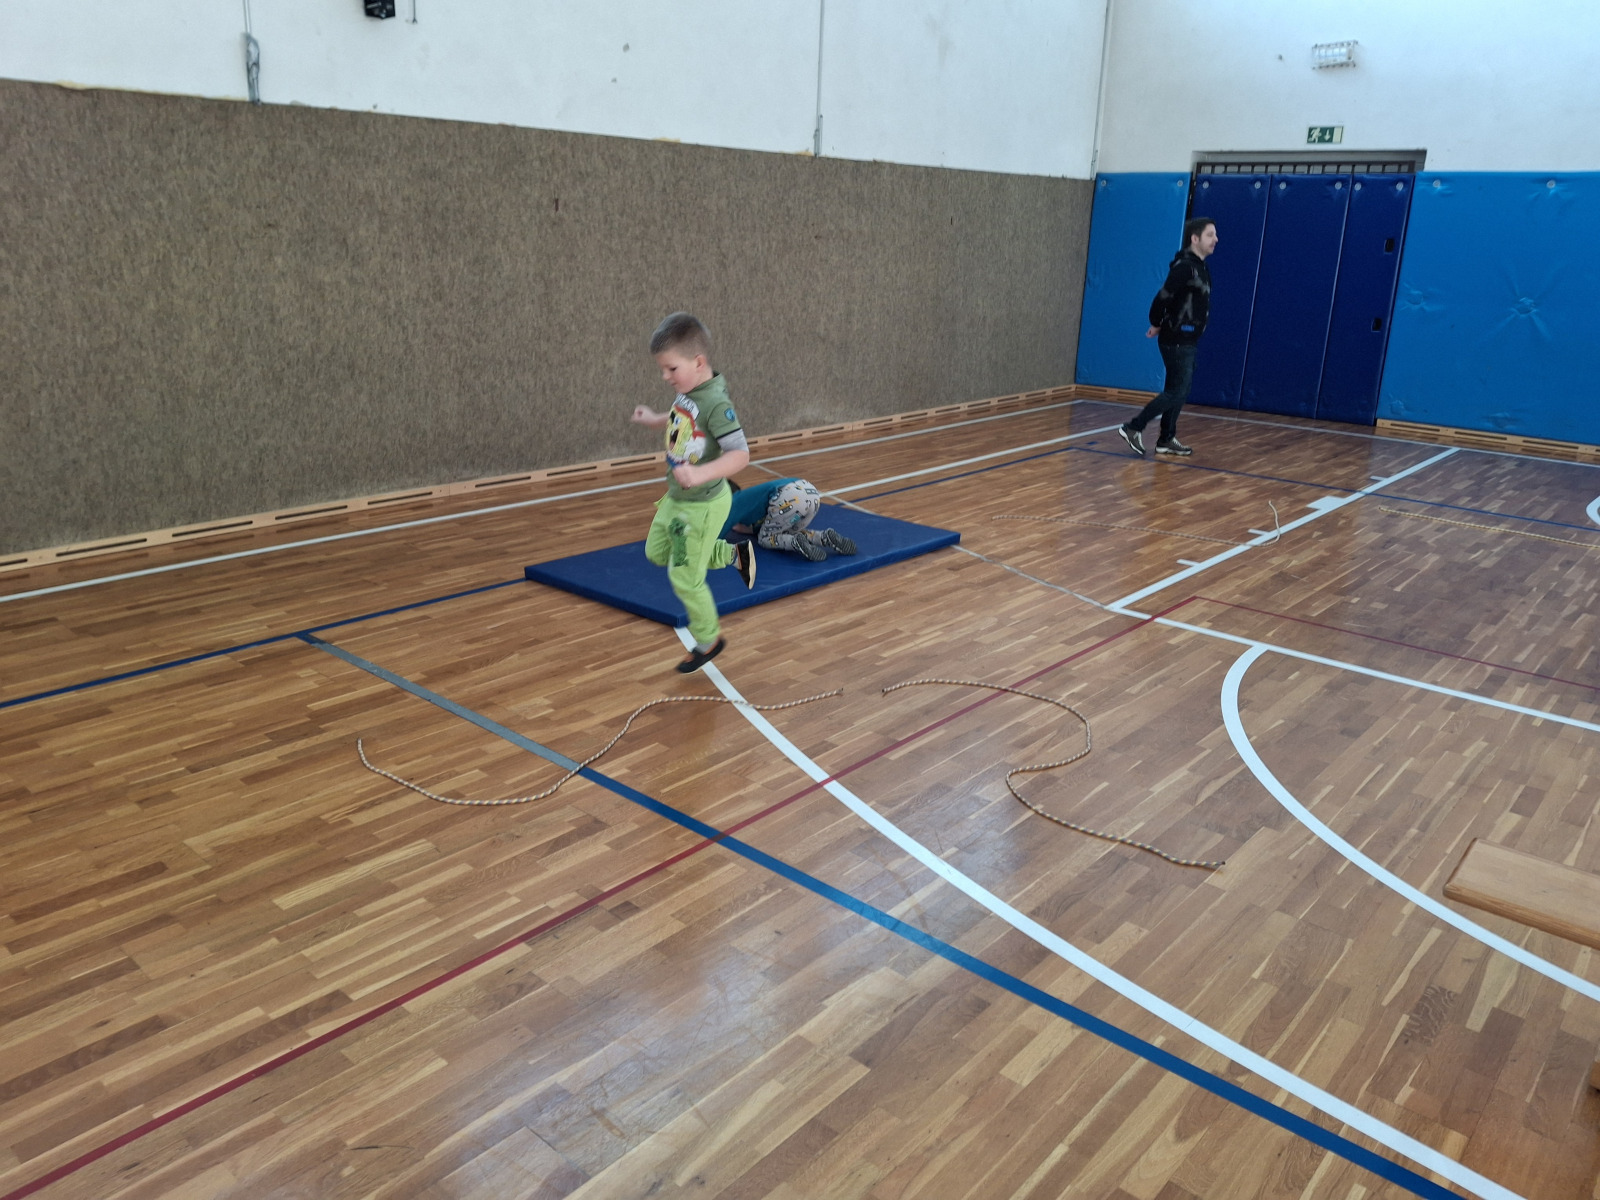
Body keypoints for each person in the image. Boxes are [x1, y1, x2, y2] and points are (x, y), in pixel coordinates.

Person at [631, 313, 756, 673]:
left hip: (700, 505)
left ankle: (708, 639)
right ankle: (731, 554)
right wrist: (654, 419)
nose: (665, 376)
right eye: (663, 369)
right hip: (677, 497)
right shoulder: (688, 392)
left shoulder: (716, 403)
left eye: (671, 369)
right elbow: (681, 419)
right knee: (656, 552)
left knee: (684, 577)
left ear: (698, 362)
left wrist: (699, 474)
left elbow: (740, 454)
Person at [1119, 216, 1218, 458]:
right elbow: (1162, 298)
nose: (1216, 239)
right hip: (1177, 340)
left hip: (1187, 339)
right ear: (1195, 239)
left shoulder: (1201, 267)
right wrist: (1156, 322)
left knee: (1180, 390)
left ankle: (1166, 439)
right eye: (1210, 235)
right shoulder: (1185, 267)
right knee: (1176, 390)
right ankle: (1133, 427)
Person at [722, 478, 857, 562]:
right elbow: (767, 524)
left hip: (788, 497)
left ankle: (794, 542)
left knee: (765, 539)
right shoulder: (749, 499)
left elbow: (718, 531)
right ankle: (823, 537)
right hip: (810, 492)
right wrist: (745, 529)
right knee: (786, 532)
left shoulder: (734, 503)